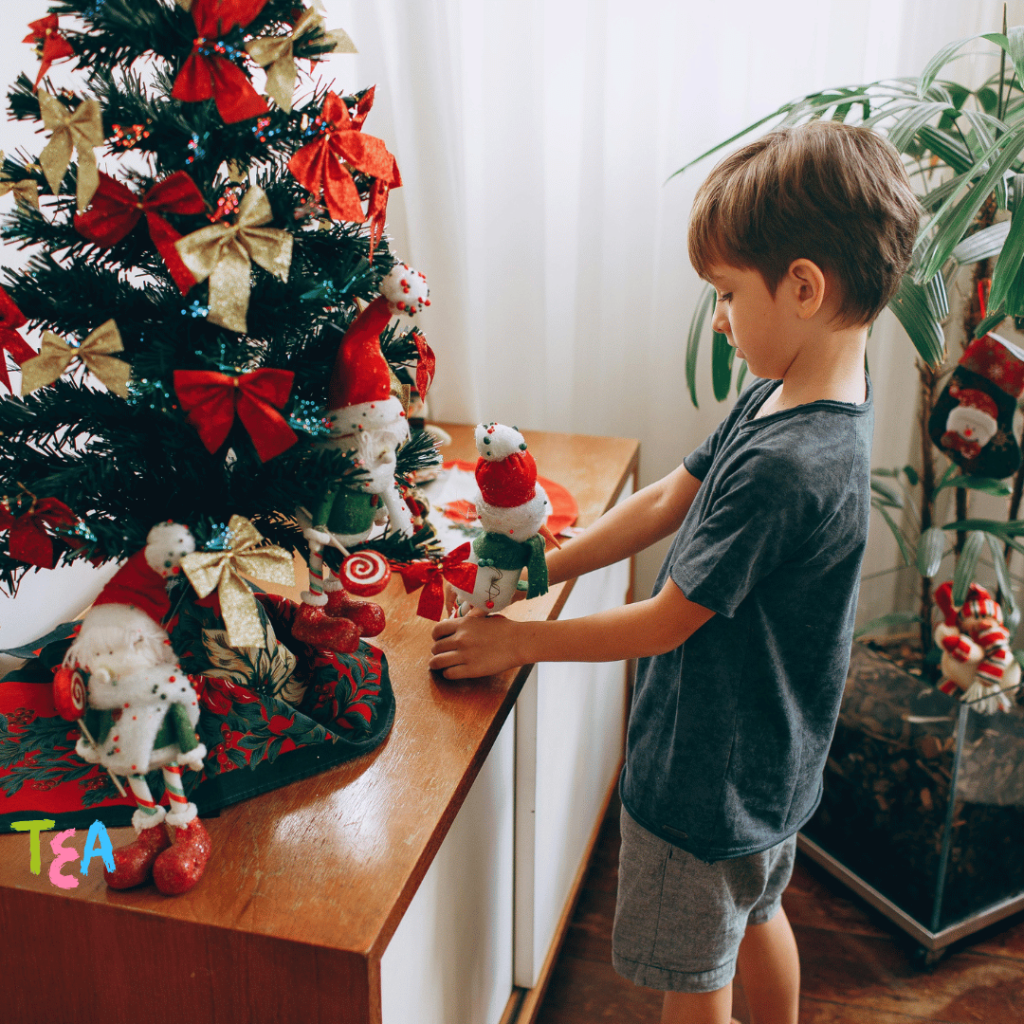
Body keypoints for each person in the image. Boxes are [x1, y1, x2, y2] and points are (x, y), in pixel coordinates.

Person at [430, 119, 919, 1024]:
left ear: (804, 288)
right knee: (761, 909)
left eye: (727, 295)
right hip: (777, 764)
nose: (721, 320)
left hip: (704, 778)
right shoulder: (807, 399)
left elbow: (666, 619)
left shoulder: (784, 466)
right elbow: (667, 498)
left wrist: (518, 644)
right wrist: (543, 564)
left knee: (691, 975)